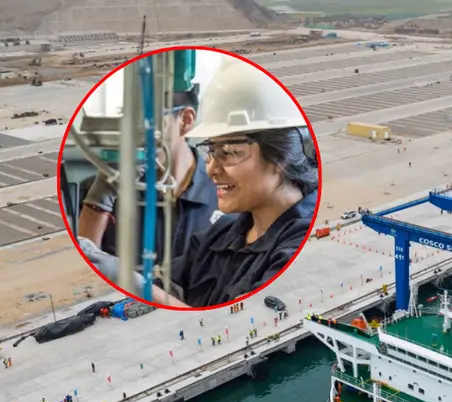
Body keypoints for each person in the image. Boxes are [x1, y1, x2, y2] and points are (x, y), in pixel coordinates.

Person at [79, 57, 319, 308]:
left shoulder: (299, 246)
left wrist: (130, 281)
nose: (212, 169)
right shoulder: (222, 232)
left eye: (228, 152)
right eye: (211, 151)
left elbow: (235, 319)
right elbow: (169, 290)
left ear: (281, 156)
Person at [76, 87, 219, 264]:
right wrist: (101, 198)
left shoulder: (225, 192)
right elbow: (81, 266)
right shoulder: (99, 191)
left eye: (150, 121)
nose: (138, 134)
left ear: (186, 120)